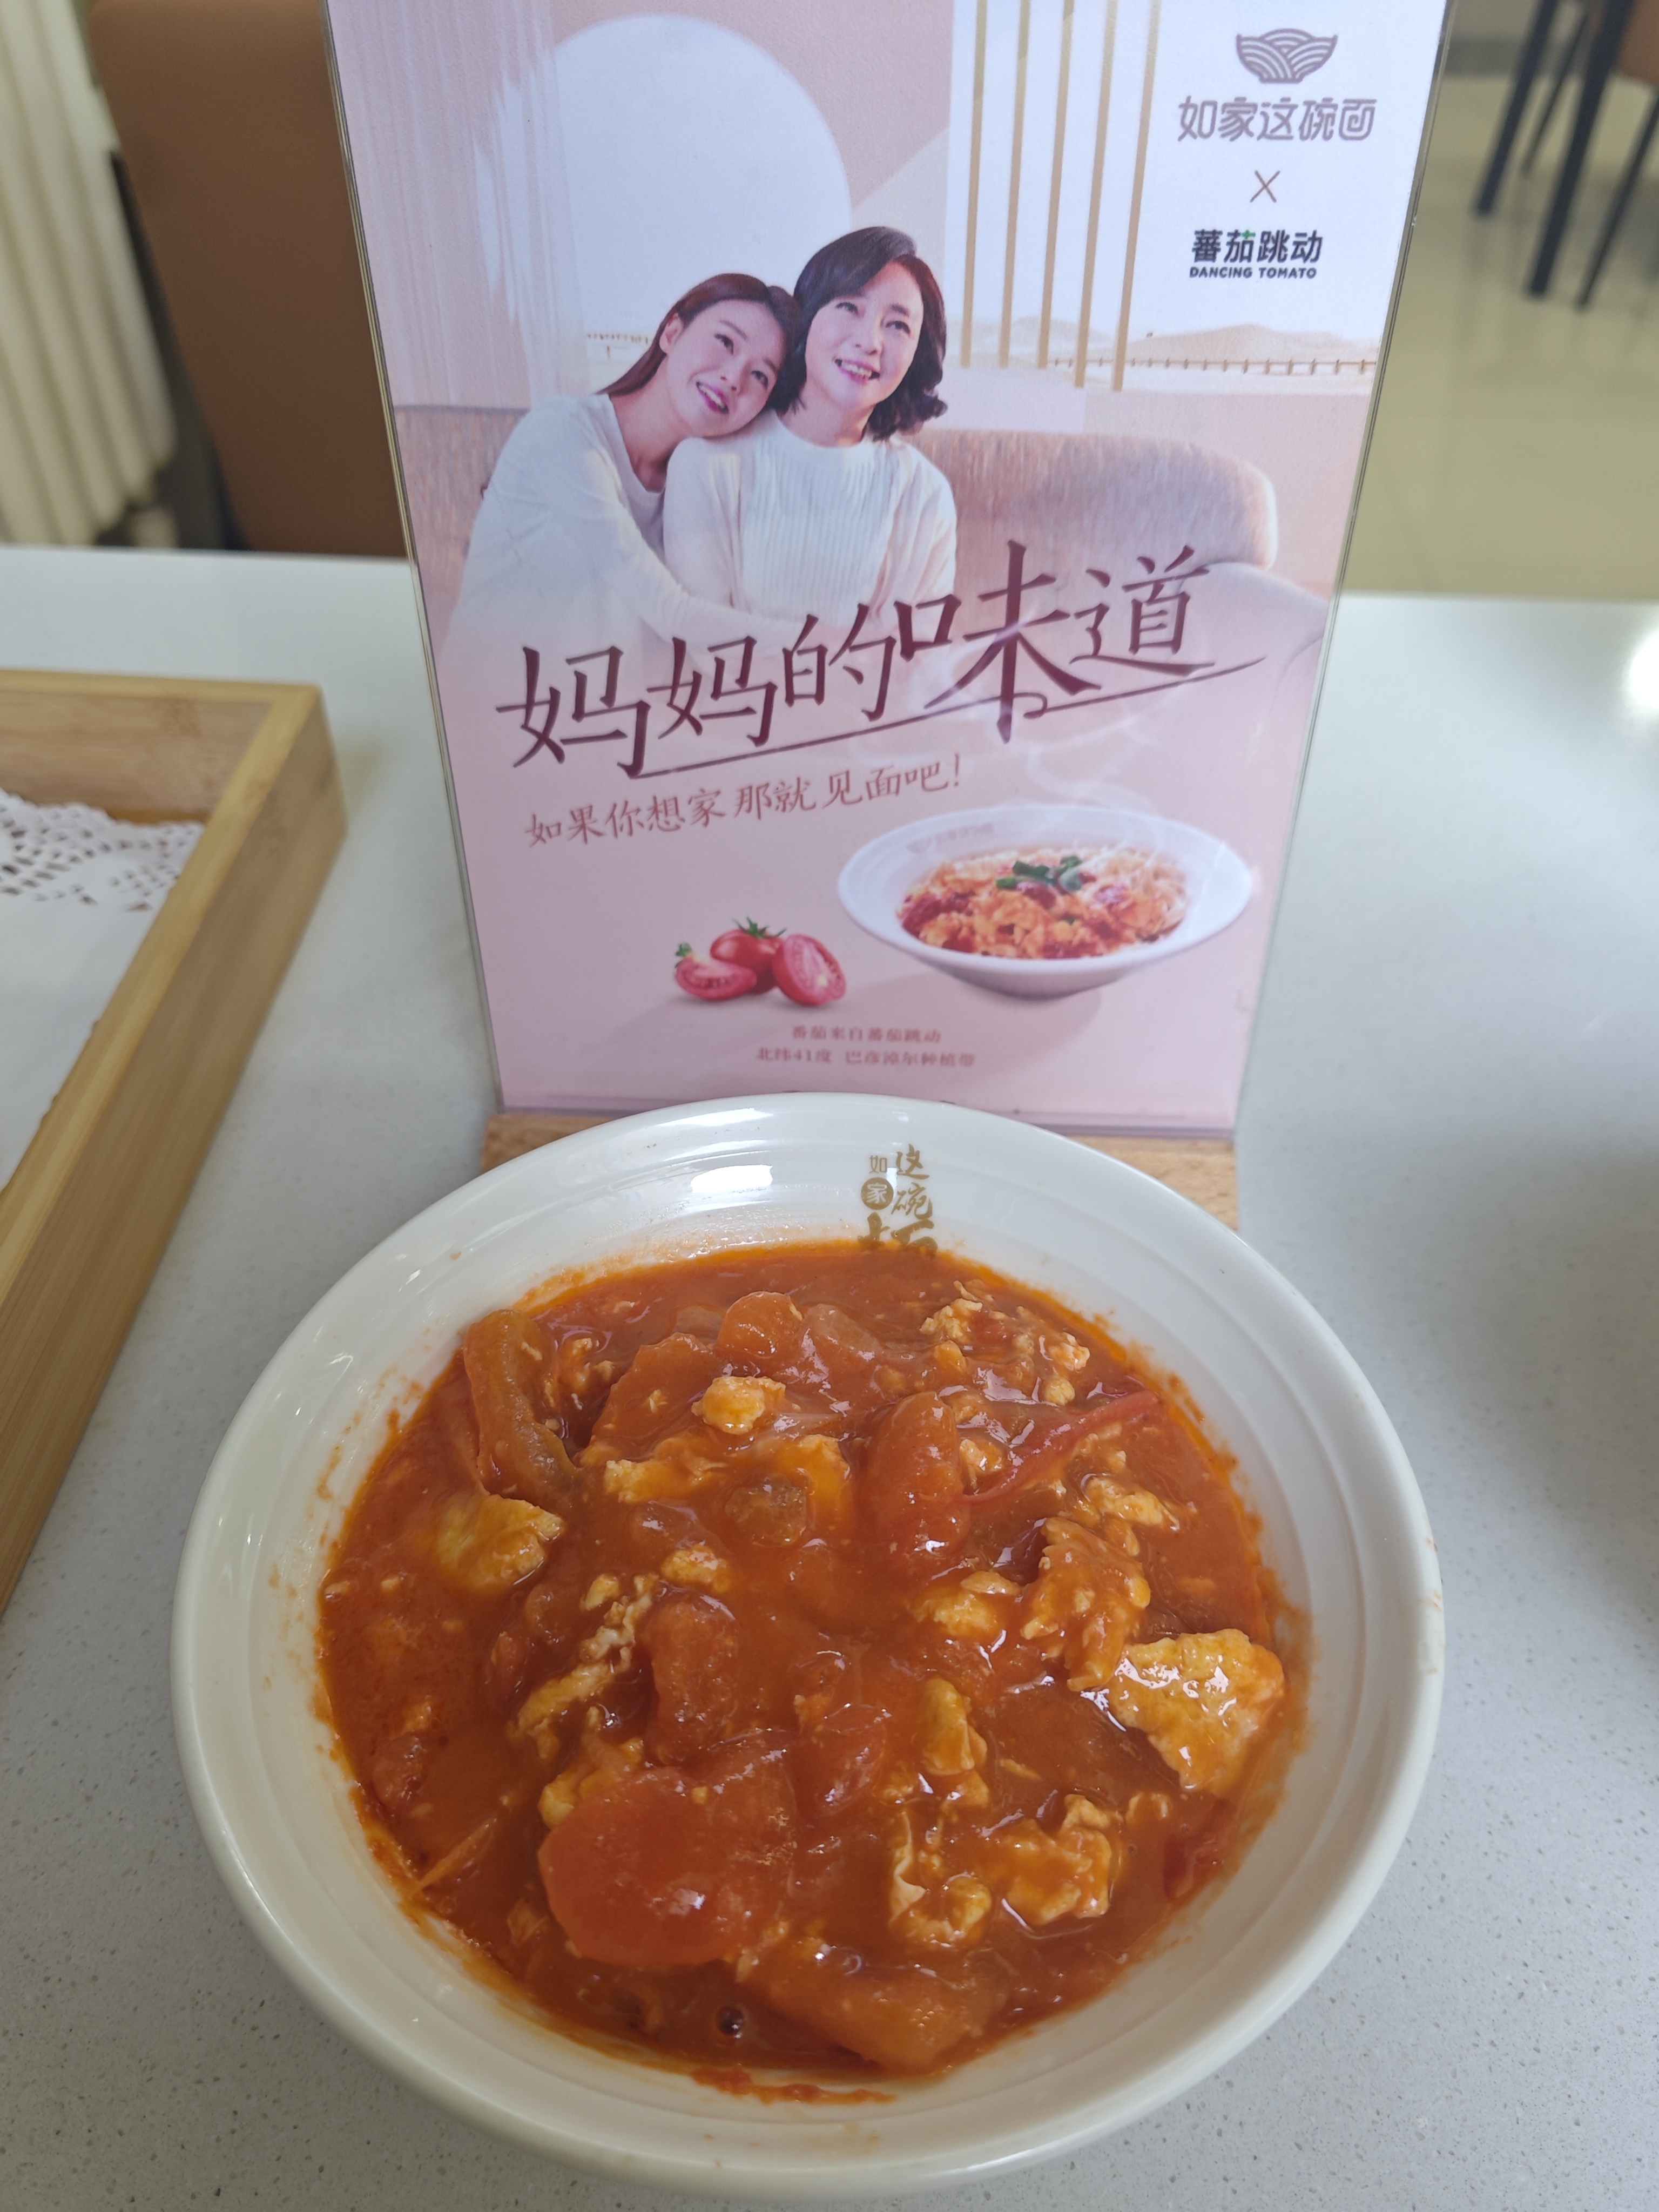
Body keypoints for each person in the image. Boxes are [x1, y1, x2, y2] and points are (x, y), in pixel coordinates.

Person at [445, 274, 801, 673]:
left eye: (760, 376)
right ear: (672, 333)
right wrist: (824, 643)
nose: (734, 378)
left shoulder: (695, 490)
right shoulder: (565, 430)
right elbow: (672, 612)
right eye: (726, 341)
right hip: (490, 702)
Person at [663, 227, 956, 631]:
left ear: (916, 355)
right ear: (810, 315)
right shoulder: (706, 465)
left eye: (898, 326)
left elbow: (915, 655)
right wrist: (848, 653)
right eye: (850, 307)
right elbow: (703, 639)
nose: (870, 342)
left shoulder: (925, 496)